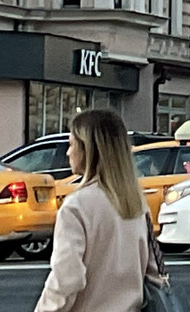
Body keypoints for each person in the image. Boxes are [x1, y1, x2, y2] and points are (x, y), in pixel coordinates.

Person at [35, 108, 157, 312]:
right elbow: (153, 272)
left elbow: (67, 280)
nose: (68, 153)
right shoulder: (136, 204)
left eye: (71, 144)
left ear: (88, 150)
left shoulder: (76, 207)